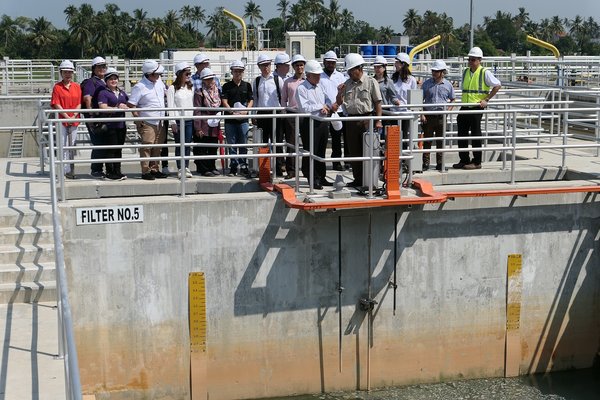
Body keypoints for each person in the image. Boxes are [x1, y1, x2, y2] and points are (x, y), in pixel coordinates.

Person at [336, 53, 383, 187]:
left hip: (367, 120)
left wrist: (378, 121)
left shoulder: (370, 82)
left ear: (359, 68)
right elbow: (339, 102)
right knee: (354, 151)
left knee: (368, 151)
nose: (350, 74)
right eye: (349, 71)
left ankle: (369, 181)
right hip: (351, 121)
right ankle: (358, 179)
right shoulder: (347, 84)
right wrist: (339, 92)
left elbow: (378, 103)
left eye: (352, 71)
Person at [454, 46, 502, 170]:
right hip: (465, 106)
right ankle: (464, 160)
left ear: (479, 60)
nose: (470, 62)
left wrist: (486, 99)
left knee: (476, 135)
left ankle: (477, 161)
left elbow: (497, 85)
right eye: (469, 59)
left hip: (476, 107)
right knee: (461, 134)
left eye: (473, 59)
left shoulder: (484, 72)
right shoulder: (465, 72)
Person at [295, 60, 337, 190]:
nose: (319, 77)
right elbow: (304, 107)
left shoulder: (320, 87)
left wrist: (327, 108)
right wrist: (320, 106)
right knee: (311, 150)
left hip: (322, 122)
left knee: (321, 151)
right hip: (309, 123)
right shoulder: (301, 88)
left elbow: (328, 100)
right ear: (308, 75)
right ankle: (312, 178)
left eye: (319, 74)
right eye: (316, 75)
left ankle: (321, 176)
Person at [127, 59, 168, 181]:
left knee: (157, 146)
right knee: (147, 146)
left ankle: (155, 169)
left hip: (160, 120)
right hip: (147, 121)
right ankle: (145, 171)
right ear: (149, 73)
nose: (158, 76)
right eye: (156, 74)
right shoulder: (139, 87)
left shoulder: (159, 83)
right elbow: (131, 104)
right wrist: (138, 118)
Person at [253, 54, 285, 176]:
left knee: (277, 142)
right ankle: (264, 169)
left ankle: (278, 168)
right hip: (262, 114)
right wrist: (254, 115)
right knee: (264, 143)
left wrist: (282, 112)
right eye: (263, 65)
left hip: (276, 113)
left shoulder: (278, 80)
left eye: (267, 64)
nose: (266, 67)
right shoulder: (256, 81)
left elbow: (283, 97)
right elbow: (255, 99)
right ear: (259, 67)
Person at [421, 60, 456, 171]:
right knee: (427, 140)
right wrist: (422, 114)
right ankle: (425, 163)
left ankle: (440, 163)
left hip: (441, 116)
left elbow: (453, 99)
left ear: (442, 72)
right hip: (428, 116)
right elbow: (420, 100)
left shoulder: (448, 85)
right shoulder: (426, 84)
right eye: (433, 71)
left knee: (441, 140)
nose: (434, 73)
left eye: (436, 71)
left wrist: (448, 111)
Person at [221, 60, 253, 177]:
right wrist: (230, 110)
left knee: (243, 142)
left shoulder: (247, 85)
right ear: (232, 72)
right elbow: (224, 100)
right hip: (230, 120)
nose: (238, 73)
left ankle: (243, 165)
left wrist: (246, 111)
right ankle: (233, 166)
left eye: (240, 71)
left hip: (243, 119)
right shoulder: (226, 86)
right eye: (236, 71)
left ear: (243, 72)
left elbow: (251, 100)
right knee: (232, 144)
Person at [95, 67, 129, 180]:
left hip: (121, 125)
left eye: (115, 78)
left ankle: (117, 171)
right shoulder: (103, 93)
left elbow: (129, 103)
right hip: (110, 126)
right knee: (111, 149)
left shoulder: (122, 92)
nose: (113, 81)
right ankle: (109, 172)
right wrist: (117, 108)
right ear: (106, 80)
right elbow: (103, 107)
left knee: (119, 149)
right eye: (111, 79)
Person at [50, 60, 81, 179]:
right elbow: (56, 103)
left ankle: (69, 170)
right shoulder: (57, 87)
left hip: (74, 120)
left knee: (71, 145)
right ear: (61, 73)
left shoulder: (77, 87)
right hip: (62, 121)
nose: (68, 74)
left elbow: (79, 103)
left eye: (70, 72)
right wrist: (66, 116)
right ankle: (62, 171)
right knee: (62, 145)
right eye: (65, 72)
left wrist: (73, 116)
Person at [280, 54, 306, 179]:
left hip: (305, 114)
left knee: (307, 142)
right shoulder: (288, 82)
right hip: (292, 114)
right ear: (293, 67)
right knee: (291, 143)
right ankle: (291, 170)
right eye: (297, 65)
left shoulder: (308, 81)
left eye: (301, 65)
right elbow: (283, 99)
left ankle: (306, 169)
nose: (299, 67)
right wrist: (284, 112)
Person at [81, 56, 108, 178]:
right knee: (98, 144)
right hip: (96, 119)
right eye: (99, 67)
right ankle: (96, 169)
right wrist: (92, 118)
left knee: (104, 143)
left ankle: (104, 168)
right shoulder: (91, 82)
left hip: (104, 117)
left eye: (103, 66)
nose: (102, 69)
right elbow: (87, 99)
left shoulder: (104, 81)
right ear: (93, 68)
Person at [320, 51, 347, 171]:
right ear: (324, 62)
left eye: (333, 62)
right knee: (323, 138)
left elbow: (344, 93)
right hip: (324, 111)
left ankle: (336, 162)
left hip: (338, 110)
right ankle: (320, 162)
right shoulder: (319, 76)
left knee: (337, 138)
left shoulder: (340, 76)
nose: (331, 64)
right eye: (329, 62)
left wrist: (337, 104)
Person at [167, 62, 194, 179]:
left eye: (189, 73)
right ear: (179, 74)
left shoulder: (190, 87)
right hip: (178, 120)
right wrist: (172, 122)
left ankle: (186, 167)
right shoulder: (172, 88)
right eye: (186, 73)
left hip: (189, 119)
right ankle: (180, 168)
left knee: (187, 145)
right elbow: (170, 106)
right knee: (179, 145)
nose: (188, 75)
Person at [193, 68, 222, 177]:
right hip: (203, 123)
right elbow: (197, 110)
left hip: (214, 124)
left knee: (213, 146)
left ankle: (212, 166)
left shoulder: (217, 91)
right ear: (203, 80)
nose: (210, 81)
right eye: (207, 79)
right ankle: (203, 168)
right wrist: (198, 127)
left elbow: (220, 106)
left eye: (211, 78)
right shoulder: (199, 92)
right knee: (202, 147)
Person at [392, 52, 417, 156]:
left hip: (405, 114)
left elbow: (414, 98)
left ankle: (403, 161)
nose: (395, 65)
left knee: (404, 138)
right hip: (393, 113)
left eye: (397, 62)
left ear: (403, 64)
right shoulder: (393, 78)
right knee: (393, 138)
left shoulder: (412, 80)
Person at [372, 55, 400, 140]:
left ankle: (382, 152)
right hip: (373, 111)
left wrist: (396, 101)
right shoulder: (371, 81)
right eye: (375, 67)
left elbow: (393, 96)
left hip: (384, 111)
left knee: (383, 136)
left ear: (384, 68)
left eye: (379, 67)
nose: (377, 69)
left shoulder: (388, 82)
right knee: (373, 135)